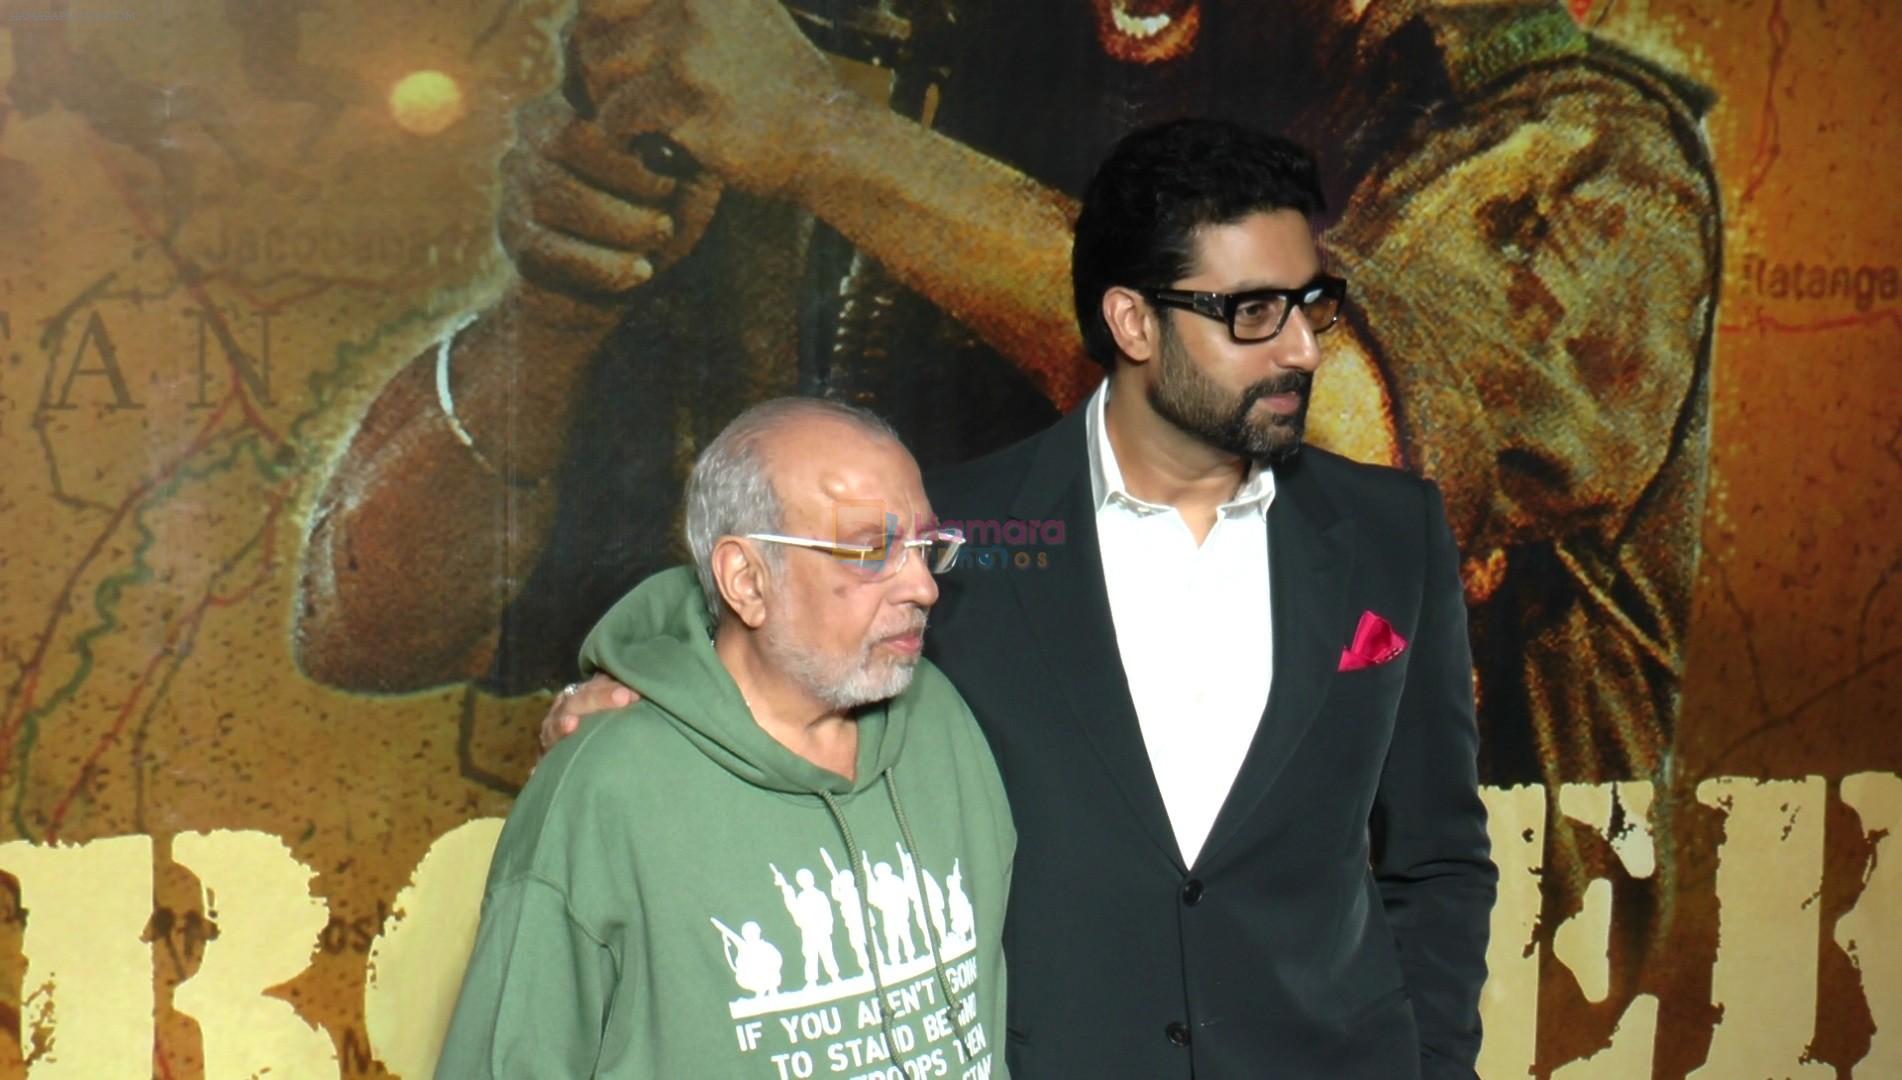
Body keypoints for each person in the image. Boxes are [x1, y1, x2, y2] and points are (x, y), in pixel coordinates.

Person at [293, 0, 1718, 799]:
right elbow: (372, 618)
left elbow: (1327, 440)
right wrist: (564, 299)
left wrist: (820, 139)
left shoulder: (1562, 136)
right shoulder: (905, 112)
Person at [551, 120, 1496, 1079]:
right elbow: (758, 575)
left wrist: (1434, 1065)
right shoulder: (966, 532)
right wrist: (636, 677)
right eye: (1252, 311)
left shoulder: (1390, 531)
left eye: (1311, 303)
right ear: (1133, 322)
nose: (1300, 347)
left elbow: (1439, 856)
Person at [435, 398, 1014, 1078]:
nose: (922, 585)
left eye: (922, 546)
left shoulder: (940, 722)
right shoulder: (605, 790)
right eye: (869, 548)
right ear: (746, 579)